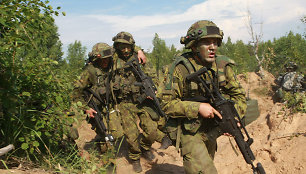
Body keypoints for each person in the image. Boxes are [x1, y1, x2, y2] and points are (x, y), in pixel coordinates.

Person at [158, 20, 247, 174]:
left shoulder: (222, 66)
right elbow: (166, 104)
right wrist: (197, 107)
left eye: (215, 42)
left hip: (212, 128)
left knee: (203, 165)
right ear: (194, 46)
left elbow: (239, 95)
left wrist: (233, 117)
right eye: (207, 43)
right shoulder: (179, 69)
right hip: (189, 130)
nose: (213, 47)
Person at [111, 31, 171, 173]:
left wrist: (155, 90)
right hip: (125, 103)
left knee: (151, 130)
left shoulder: (140, 58)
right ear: (117, 46)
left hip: (143, 100)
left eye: (128, 46)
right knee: (131, 137)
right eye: (121, 47)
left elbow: (153, 76)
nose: (125, 50)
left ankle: (144, 147)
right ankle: (135, 157)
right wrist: (138, 49)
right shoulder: (114, 58)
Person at [72, 42, 124, 149]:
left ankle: (100, 143)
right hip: (94, 109)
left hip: (108, 105)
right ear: (96, 59)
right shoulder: (89, 71)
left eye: (107, 58)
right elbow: (75, 92)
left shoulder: (111, 66)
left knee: (118, 134)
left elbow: (122, 47)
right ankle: (106, 159)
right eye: (102, 59)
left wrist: (140, 51)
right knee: (105, 135)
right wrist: (86, 108)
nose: (105, 61)